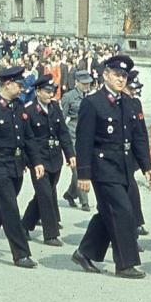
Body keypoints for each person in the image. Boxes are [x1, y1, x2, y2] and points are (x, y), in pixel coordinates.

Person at [71, 55, 151, 279]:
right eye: (117, 75)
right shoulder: (93, 102)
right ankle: (125, 264)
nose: (121, 79)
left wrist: (147, 165)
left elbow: (139, 137)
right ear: (106, 75)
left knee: (108, 211)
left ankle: (84, 252)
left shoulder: (130, 102)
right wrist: (84, 174)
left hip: (124, 167)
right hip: (103, 167)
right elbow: (84, 140)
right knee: (123, 212)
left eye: (124, 76)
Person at [0, 66, 44, 268]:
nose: (21, 89)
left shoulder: (18, 106)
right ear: (7, 83)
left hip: (16, 165)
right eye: (18, 85)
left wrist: (36, 161)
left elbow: (29, 138)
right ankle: (21, 254)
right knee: (11, 209)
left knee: (3, 205)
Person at [21, 74, 76, 246]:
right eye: (46, 91)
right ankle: (50, 234)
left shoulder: (54, 107)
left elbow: (63, 133)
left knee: (44, 193)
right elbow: (27, 139)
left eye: (52, 90)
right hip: (38, 158)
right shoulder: (29, 110)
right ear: (37, 91)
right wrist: (30, 161)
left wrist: (70, 154)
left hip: (55, 158)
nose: (50, 94)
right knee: (45, 194)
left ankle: (25, 225)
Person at [60, 70, 93, 210]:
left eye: (88, 83)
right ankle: (84, 201)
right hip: (72, 134)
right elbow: (62, 118)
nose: (86, 86)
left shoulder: (90, 97)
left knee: (84, 166)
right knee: (78, 169)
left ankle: (70, 193)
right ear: (77, 82)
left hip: (86, 136)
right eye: (84, 83)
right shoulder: (69, 97)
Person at [123, 70, 149, 239]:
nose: (134, 92)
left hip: (131, 156)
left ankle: (136, 223)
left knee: (131, 192)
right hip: (117, 157)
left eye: (135, 89)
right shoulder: (119, 103)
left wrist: (146, 162)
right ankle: (131, 230)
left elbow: (141, 132)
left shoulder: (136, 103)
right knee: (126, 193)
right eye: (131, 88)